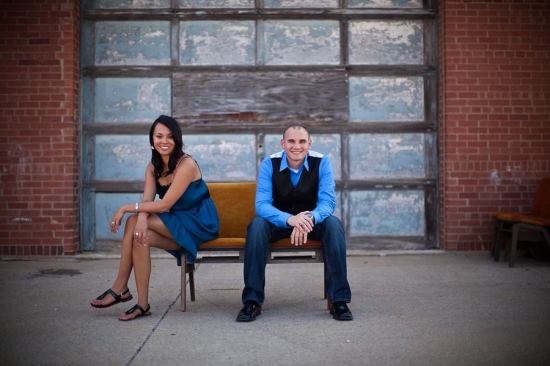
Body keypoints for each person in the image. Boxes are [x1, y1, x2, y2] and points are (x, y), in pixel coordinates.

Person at [90, 115, 219, 321]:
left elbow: (164, 204)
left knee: (133, 221)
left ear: (177, 140)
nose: (164, 141)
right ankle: (142, 304)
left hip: (198, 222)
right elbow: (147, 200)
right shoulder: (152, 168)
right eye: (159, 136)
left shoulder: (186, 164)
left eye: (169, 137)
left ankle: (120, 287)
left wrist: (127, 208)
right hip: (176, 221)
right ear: (152, 140)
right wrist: (142, 216)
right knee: (140, 235)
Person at [236, 125, 353, 322]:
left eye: (301, 141)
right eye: (291, 141)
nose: (296, 146)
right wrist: (290, 219)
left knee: (334, 225)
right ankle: (252, 301)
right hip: (278, 222)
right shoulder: (269, 163)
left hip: (311, 221)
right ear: (283, 143)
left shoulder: (322, 162)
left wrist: (308, 219)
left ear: (309, 143)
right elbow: (262, 205)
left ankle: (338, 300)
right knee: (257, 225)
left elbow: (327, 202)